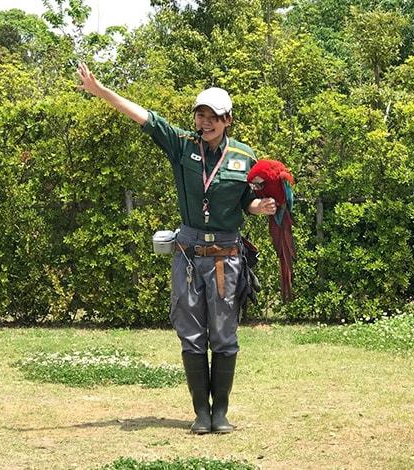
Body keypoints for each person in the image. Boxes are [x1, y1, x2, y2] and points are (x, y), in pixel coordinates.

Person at [76, 63, 277, 434]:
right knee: (191, 332)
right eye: (200, 115)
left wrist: (259, 207)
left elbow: (248, 200)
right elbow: (146, 118)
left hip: (226, 257)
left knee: (224, 334)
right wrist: (102, 92)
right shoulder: (182, 145)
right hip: (187, 254)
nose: (205, 122)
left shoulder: (245, 158)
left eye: (213, 116)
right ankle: (201, 413)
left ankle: (221, 414)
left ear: (228, 119)